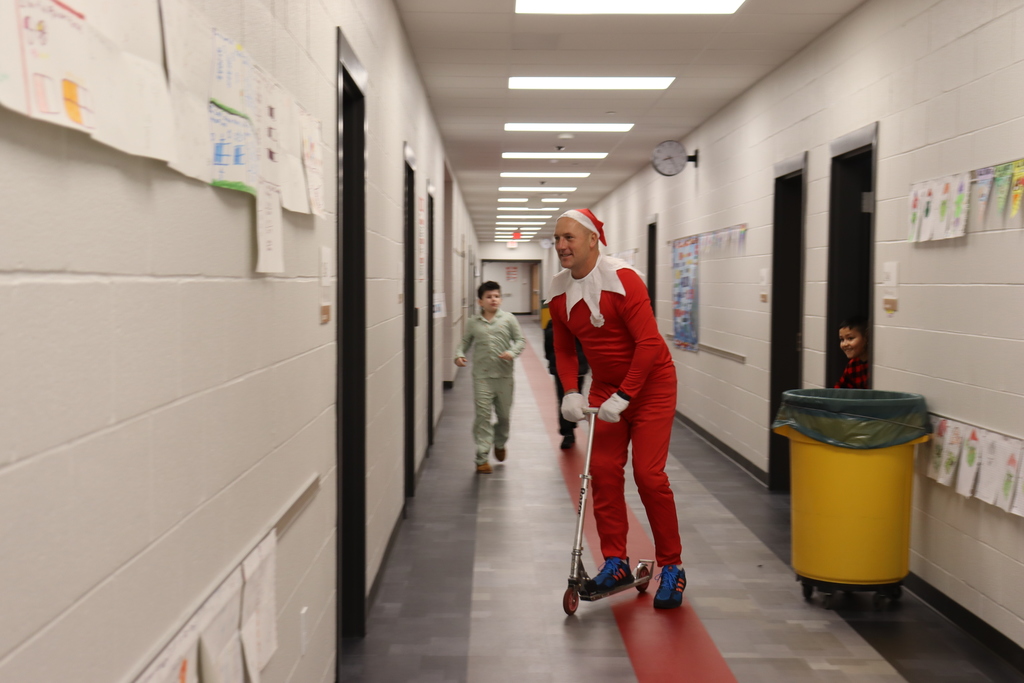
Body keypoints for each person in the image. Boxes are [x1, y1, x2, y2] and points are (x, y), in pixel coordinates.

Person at [548, 208, 686, 610]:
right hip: (606, 387)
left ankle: (672, 566)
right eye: (557, 238)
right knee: (603, 471)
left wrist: (625, 396)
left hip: (652, 385)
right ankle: (615, 561)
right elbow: (562, 347)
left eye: (569, 237)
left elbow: (647, 343)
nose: (561, 245)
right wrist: (571, 392)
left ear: (593, 239)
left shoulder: (623, 280)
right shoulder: (559, 292)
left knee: (648, 474)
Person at [455, 281, 526, 474]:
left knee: (503, 416)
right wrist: (459, 355)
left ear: (500, 299)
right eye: (488, 297)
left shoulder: (509, 319)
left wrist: (512, 352)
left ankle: (500, 442)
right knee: (483, 416)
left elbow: (520, 340)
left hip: (504, 377)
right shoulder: (473, 322)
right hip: (482, 378)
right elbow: (464, 342)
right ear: (480, 301)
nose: (493, 299)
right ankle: (482, 457)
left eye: (496, 296)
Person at [544, 316, 589, 449]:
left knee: (567, 398)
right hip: (563, 367)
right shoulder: (554, 325)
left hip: (574, 367)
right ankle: (568, 430)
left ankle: (569, 428)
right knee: (568, 397)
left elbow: (547, 349)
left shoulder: (552, 325)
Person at [834, 315, 870, 389]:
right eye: (842, 339)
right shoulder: (852, 365)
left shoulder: (876, 366)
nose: (845, 344)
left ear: (866, 337)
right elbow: (838, 391)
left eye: (850, 338)